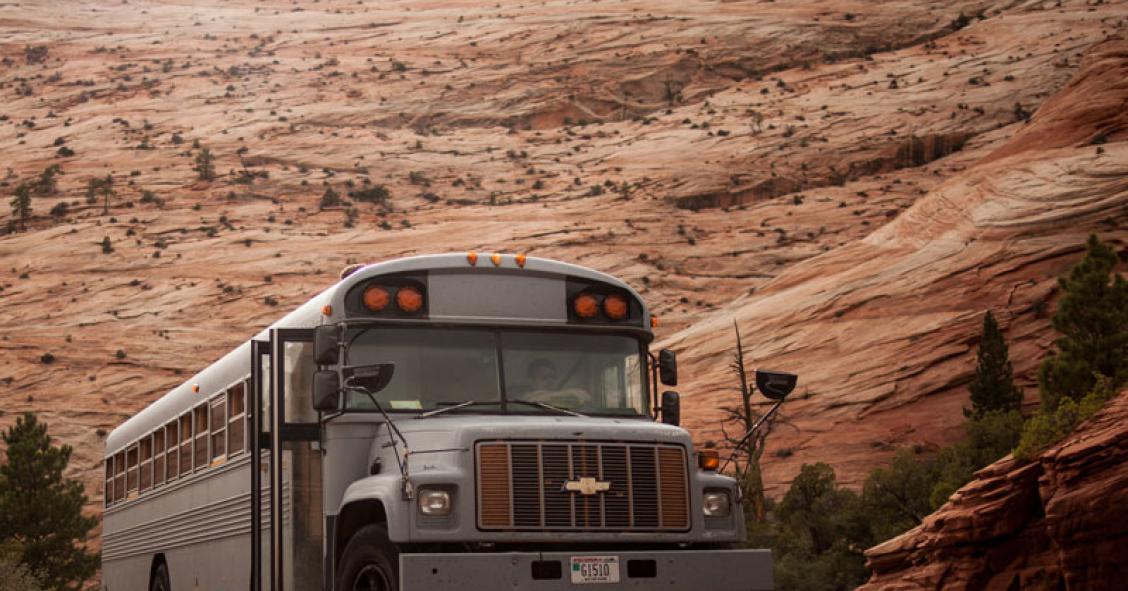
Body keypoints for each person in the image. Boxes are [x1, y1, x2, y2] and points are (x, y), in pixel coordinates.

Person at [519, 358, 591, 408]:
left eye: (553, 377)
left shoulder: (562, 397)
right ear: (531, 381)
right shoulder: (521, 402)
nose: (551, 381)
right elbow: (530, 400)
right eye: (544, 378)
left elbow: (585, 396)